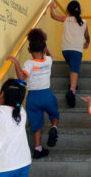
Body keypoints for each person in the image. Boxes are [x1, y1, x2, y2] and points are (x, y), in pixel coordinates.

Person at [8, 28, 59, 159]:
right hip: (47, 95)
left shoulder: (29, 63)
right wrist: (46, 50)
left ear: (29, 50)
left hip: (33, 98)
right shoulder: (49, 60)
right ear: (44, 48)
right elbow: (49, 55)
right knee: (54, 114)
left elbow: (21, 78)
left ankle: (37, 149)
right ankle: (54, 127)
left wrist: (16, 63)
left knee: (36, 123)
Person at [50, 0, 90, 107]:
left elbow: (53, 16)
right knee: (74, 70)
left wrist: (52, 8)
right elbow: (87, 36)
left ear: (68, 10)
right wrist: (88, 42)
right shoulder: (84, 23)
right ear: (79, 10)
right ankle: (72, 91)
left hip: (65, 50)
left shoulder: (65, 19)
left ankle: (73, 85)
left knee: (72, 67)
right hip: (77, 50)